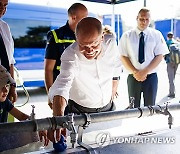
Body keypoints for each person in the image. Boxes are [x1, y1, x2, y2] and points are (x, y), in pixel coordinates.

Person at [47, 17, 121, 143]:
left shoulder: (111, 43)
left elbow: (116, 65)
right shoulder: (70, 54)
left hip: (108, 109)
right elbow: (62, 84)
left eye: (94, 44)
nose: (89, 50)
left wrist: (114, 85)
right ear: (76, 39)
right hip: (79, 112)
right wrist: (57, 118)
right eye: (83, 46)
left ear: (102, 37)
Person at [118, 8, 169, 108]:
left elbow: (160, 55)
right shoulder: (127, 36)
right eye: (141, 19)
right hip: (133, 76)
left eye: (147, 19)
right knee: (133, 108)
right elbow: (123, 56)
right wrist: (135, 72)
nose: (144, 22)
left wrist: (145, 71)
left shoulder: (156, 35)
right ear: (137, 18)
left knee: (150, 108)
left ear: (150, 20)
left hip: (151, 77)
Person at [44, 3, 88, 109]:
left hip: (82, 92)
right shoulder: (56, 35)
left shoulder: (87, 35)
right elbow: (48, 69)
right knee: (63, 123)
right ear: (73, 17)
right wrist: (51, 95)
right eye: (84, 18)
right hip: (63, 92)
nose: (86, 22)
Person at [0, 0, 17, 103]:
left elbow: (10, 60)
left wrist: (12, 87)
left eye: (5, 5)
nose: (2, 8)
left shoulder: (5, 27)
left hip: (4, 87)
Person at [164, 32, 179, 98]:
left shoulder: (167, 43)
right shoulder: (177, 43)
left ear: (167, 36)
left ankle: (172, 93)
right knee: (173, 77)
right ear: (173, 36)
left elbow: (164, 52)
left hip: (170, 62)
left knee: (171, 78)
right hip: (177, 62)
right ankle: (173, 90)